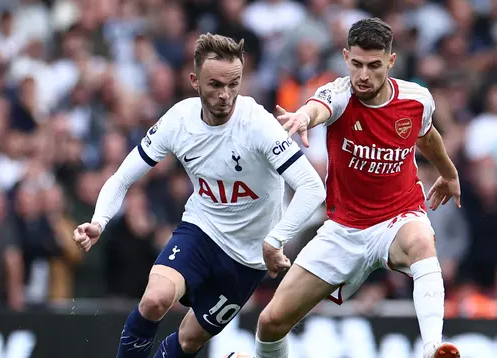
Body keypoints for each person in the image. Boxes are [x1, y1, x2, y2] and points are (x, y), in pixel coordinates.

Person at [72, 33, 326, 358]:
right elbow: (122, 177)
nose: (226, 95)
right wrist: (99, 221)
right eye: (215, 85)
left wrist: (275, 239)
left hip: (247, 259)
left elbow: (312, 187)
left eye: (234, 84)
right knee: (154, 300)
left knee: (189, 341)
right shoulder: (179, 121)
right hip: (201, 231)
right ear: (194, 80)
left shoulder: (258, 125)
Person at [254, 18, 461, 358]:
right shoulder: (338, 93)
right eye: (358, 64)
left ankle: (432, 348)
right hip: (342, 230)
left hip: (397, 218)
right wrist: (304, 118)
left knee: (422, 240)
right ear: (346, 57)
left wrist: (449, 173)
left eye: (374, 66)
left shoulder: (417, 100)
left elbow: (427, 136)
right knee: (271, 322)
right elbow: (317, 108)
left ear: (390, 62)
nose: (364, 75)